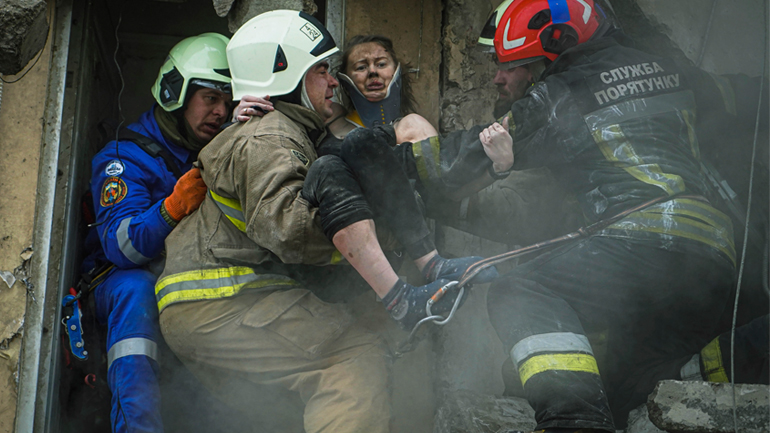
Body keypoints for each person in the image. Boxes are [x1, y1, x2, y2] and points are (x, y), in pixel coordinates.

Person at [155, 11, 502, 432]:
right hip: (224, 299)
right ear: (284, 75)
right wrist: (380, 237)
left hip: (220, 300)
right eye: (321, 70)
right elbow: (291, 229)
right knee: (351, 356)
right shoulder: (270, 136)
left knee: (295, 401)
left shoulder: (285, 133)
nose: (334, 81)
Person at [421, 0, 744, 430]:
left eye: (514, 65)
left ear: (553, 54)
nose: (499, 77)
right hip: (713, 255)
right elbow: (743, 95)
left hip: (639, 241)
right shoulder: (671, 73)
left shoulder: (558, 97)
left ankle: (573, 422)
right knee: (641, 380)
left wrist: (378, 166)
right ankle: (754, 344)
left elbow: (463, 174)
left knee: (521, 292)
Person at [83, 33, 232, 432]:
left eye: (227, 101)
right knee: (137, 291)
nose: (221, 112)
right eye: (210, 98)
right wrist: (172, 207)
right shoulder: (122, 157)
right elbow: (122, 247)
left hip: (188, 277)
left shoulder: (222, 150)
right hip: (117, 283)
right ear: (175, 93)